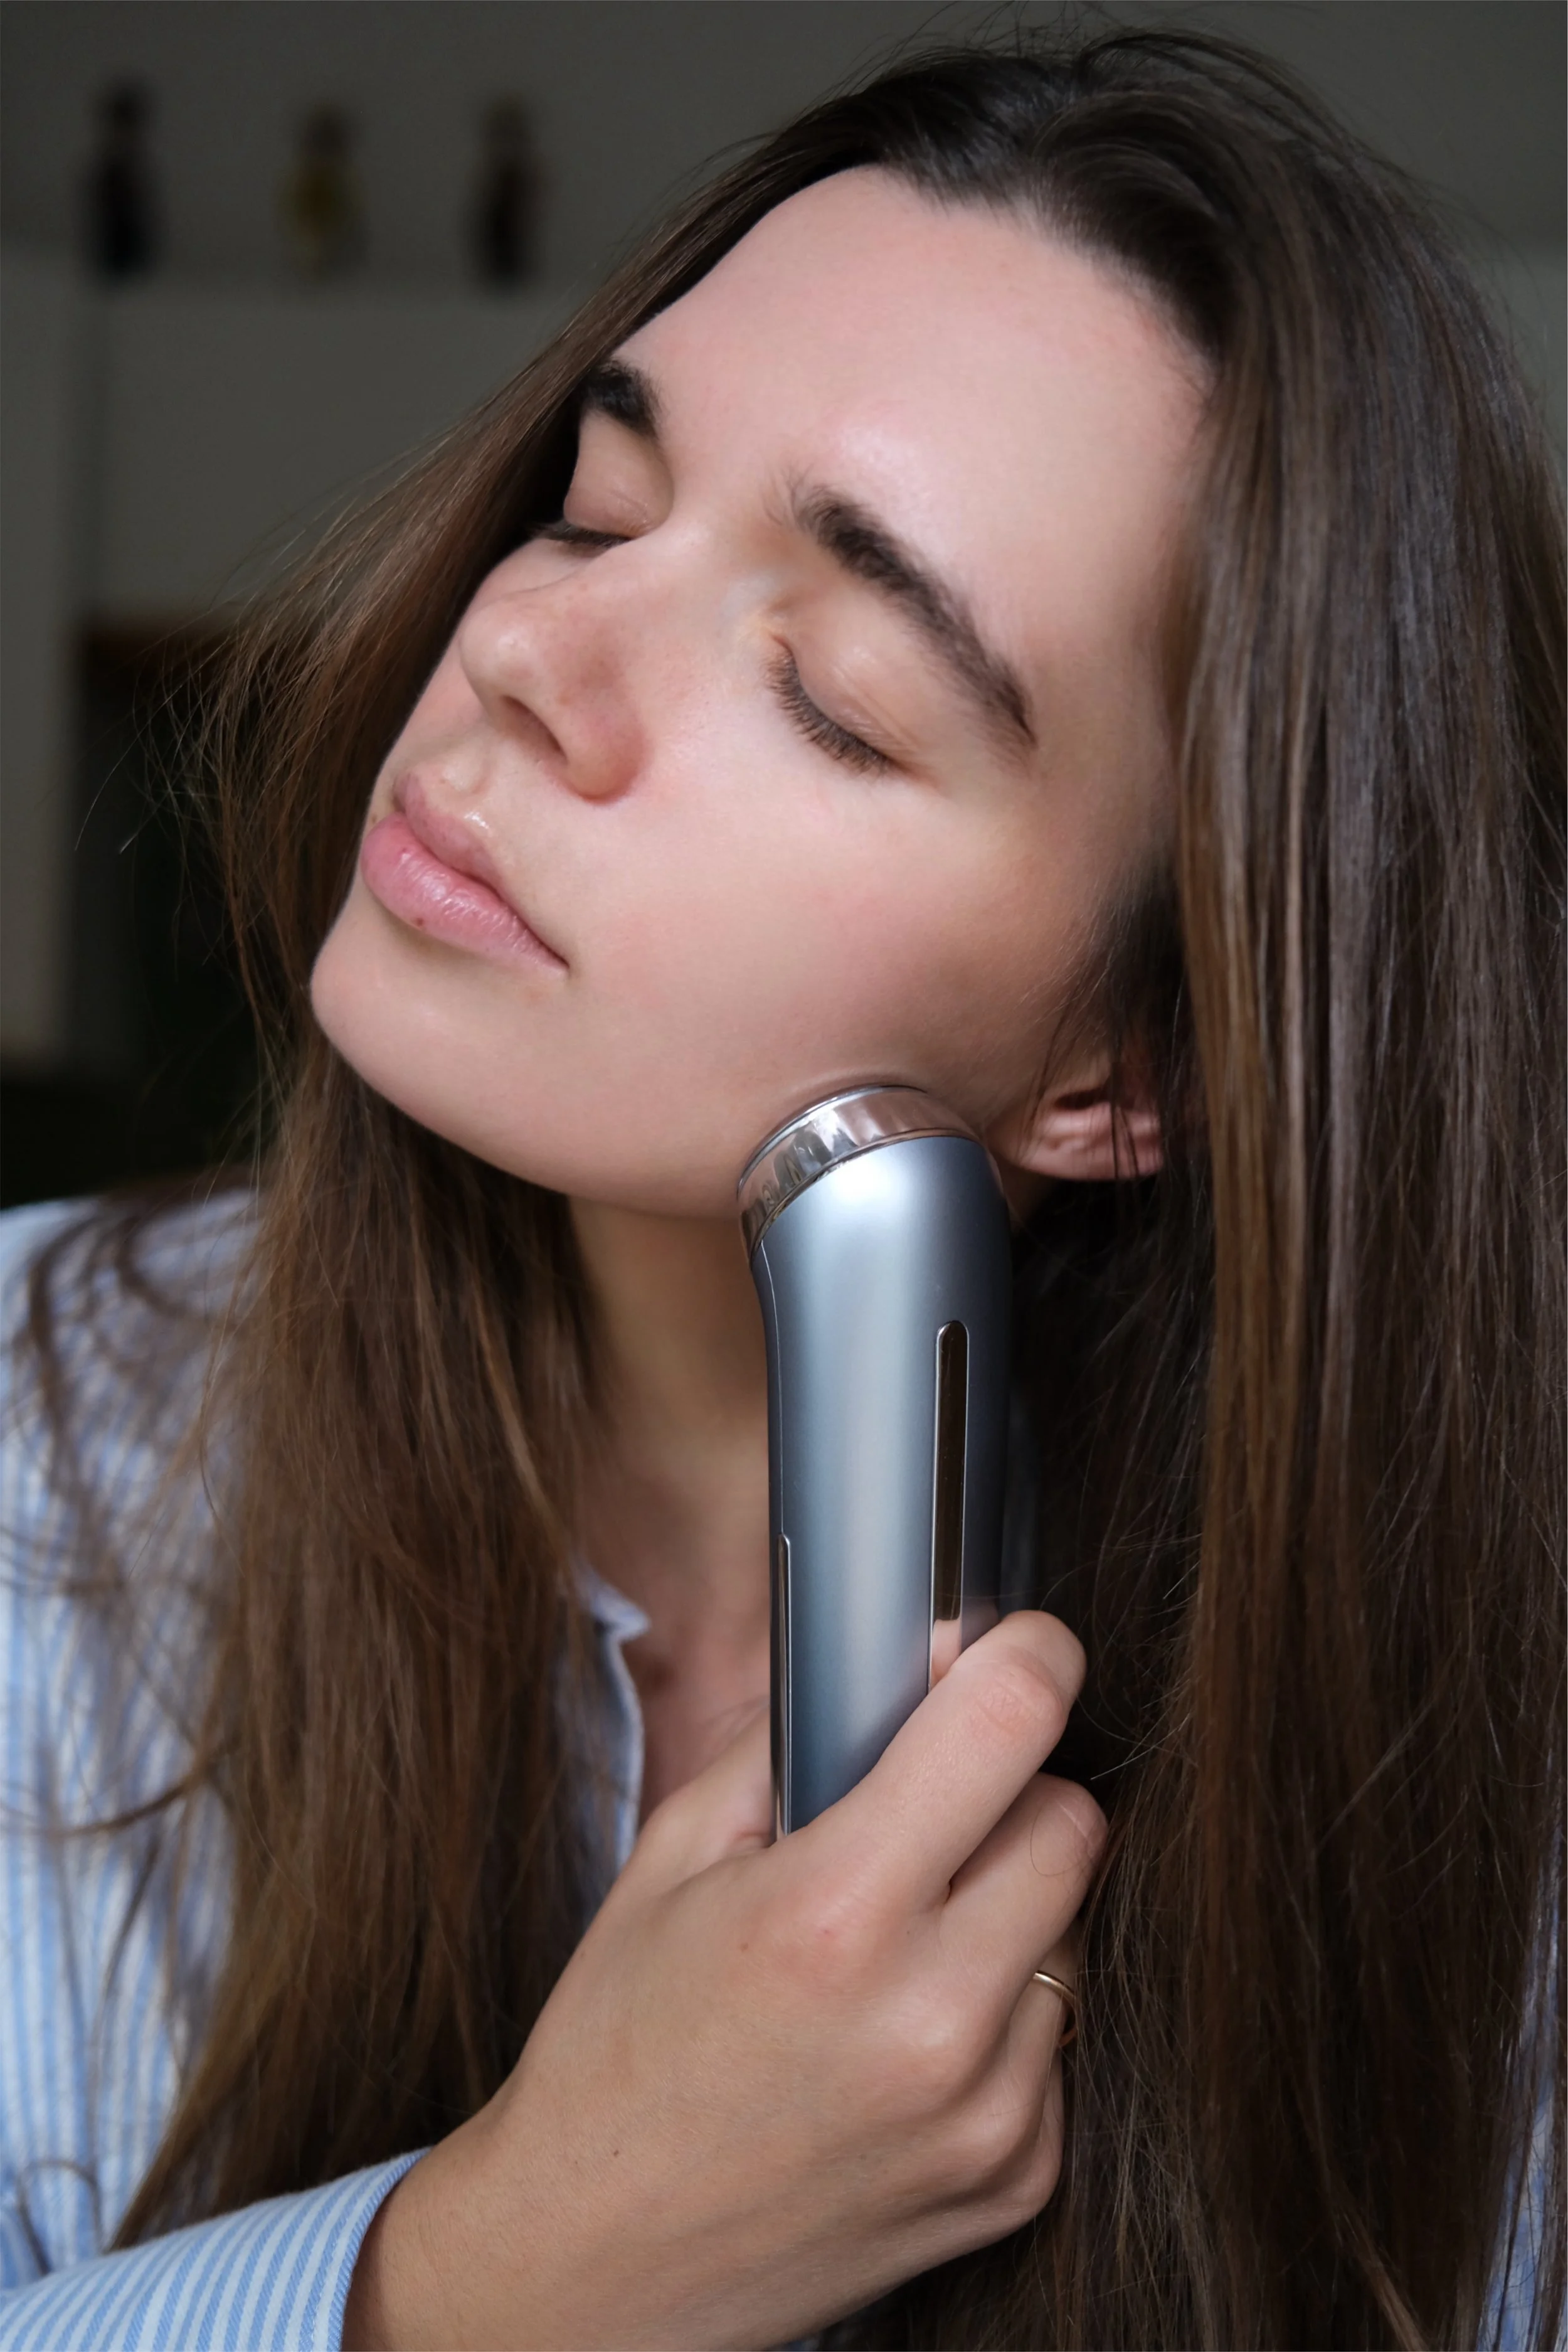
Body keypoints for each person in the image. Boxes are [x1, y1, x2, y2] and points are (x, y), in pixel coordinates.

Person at [1, 28, 1560, 2351]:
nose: (523, 651)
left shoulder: (1469, 1762)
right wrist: (489, 2283)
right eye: (594, 506)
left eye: (829, 692)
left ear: (1134, 1063)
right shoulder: (28, 1445)